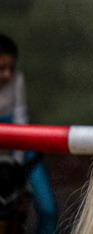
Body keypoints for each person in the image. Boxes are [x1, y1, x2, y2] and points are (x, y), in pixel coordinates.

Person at [0, 34, 58, 234]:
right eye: (1, 69)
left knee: (48, 208)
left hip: (22, 147)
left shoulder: (18, 80)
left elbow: (21, 119)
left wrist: (16, 163)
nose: (7, 74)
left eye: (11, 68)